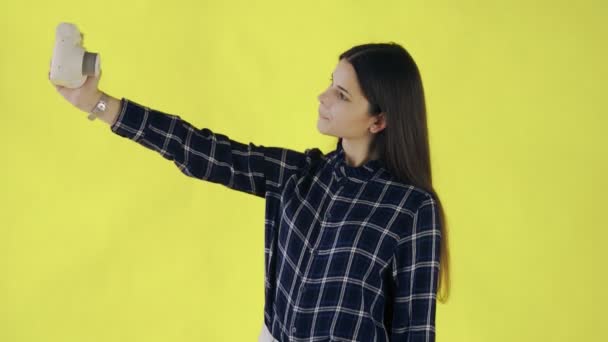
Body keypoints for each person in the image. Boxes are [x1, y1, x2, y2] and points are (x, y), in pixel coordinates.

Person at [49, 42, 450, 342]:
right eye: (331, 84)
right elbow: (203, 150)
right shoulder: (299, 174)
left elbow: (414, 329)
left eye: (341, 95)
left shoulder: (412, 208)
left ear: (378, 120)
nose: (322, 97)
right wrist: (97, 103)